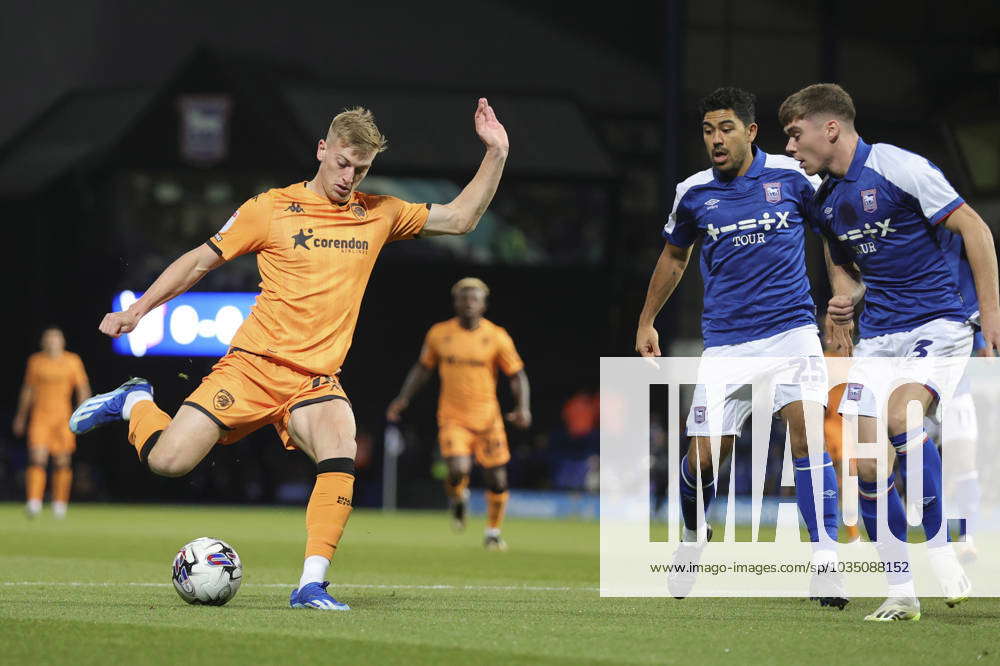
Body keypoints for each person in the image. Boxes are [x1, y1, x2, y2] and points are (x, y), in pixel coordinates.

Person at [70, 99, 510, 610]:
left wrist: (496, 152)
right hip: (253, 367)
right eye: (343, 163)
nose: (349, 177)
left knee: (340, 447)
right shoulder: (271, 209)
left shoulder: (378, 213)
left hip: (315, 381)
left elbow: (460, 218)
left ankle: (311, 584)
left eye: (361, 169)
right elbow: (197, 262)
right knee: (168, 461)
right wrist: (140, 309)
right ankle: (134, 401)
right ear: (322, 150)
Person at [781, 82, 1000, 621]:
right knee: (863, 461)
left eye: (794, 133)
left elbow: (973, 226)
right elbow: (846, 265)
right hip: (880, 336)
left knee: (903, 415)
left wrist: (991, 314)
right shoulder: (824, 199)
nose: (790, 147)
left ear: (829, 128)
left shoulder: (900, 167)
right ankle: (902, 590)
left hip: (940, 325)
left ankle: (941, 546)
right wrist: (844, 301)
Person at [635, 87, 847, 606]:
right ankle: (690, 538)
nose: (716, 140)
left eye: (726, 128)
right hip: (727, 344)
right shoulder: (693, 192)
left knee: (807, 438)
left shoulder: (793, 176)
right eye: (708, 131)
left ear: (750, 131)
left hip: (792, 330)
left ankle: (825, 562)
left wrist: (843, 299)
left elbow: (832, 235)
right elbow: (674, 258)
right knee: (704, 461)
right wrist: (647, 321)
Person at [386, 277, 530, 551]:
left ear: (484, 304)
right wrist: (403, 398)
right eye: (464, 298)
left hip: (489, 419)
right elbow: (423, 369)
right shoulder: (439, 334)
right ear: (456, 302)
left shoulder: (496, 336)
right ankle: (458, 496)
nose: (469, 303)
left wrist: (522, 407)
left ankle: (493, 532)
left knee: (497, 479)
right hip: (454, 417)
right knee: (457, 469)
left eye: (474, 298)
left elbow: (517, 375)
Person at [14, 326, 91, 518]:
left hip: (63, 417)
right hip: (40, 417)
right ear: (43, 342)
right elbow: (28, 390)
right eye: (49, 338)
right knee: (37, 458)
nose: (52, 341)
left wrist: (83, 414)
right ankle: (34, 502)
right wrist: (21, 417)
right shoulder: (36, 361)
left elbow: (82, 388)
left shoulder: (72, 361)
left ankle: (59, 503)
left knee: (62, 460)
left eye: (56, 338)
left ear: (62, 341)